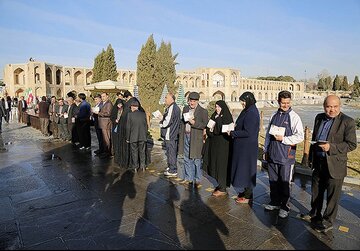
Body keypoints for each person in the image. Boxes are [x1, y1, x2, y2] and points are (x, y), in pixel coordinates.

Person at [300, 95, 357, 233]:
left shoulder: (347, 121)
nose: (331, 110)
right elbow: (315, 138)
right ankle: (314, 213)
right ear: (324, 106)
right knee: (316, 191)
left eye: (335, 107)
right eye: (328, 106)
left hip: (335, 164)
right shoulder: (319, 117)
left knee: (332, 196)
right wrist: (311, 157)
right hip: (318, 162)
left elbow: (351, 144)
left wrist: (331, 147)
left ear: (340, 106)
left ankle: (328, 221)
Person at [263, 90, 304, 218]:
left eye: (287, 103)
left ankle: (285, 206)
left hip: (286, 155)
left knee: (285, 182)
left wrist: (284, 139)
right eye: (282, 103)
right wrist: (265, 149)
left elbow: (300, 136)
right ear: (278, 101)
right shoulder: (273, 115)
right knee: (273, 180)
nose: (285, 105)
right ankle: (274, 202)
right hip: (273, 153)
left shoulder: (294, 117)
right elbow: (268, 135)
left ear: (290, 102)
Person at [229, 92, 259, 203]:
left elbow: (248, 131)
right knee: (244, 170)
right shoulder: (248, 110)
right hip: (243, 146)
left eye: (243, 101)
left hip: (247, 147)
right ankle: (245, 192)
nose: (242, 103)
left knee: (247, 170)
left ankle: (248, 196)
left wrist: (233, 133)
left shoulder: (251, 112)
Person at [178, 92, 208, 188]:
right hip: (186, 135)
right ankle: (189, 178)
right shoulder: (185, 108)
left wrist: (194, 122)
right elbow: (182, 122)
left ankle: (197, 179)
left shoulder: (203, 111)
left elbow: (204, 125)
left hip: (196, 138)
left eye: (194, 101)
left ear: (197, 101)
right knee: (187, 158)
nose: (192, 103)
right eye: (191, 101)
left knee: (196, 159)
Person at [204, 100, 233, 196]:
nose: (217, 109)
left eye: (219, 107)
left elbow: (224, 129)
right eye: (216, 107)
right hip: (214, 144)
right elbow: (209, 128)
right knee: (214, 163)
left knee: (221, 165)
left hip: (223, 145)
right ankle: (219, 184)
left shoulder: (226, 116)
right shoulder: (214, 116)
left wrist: (214, 128)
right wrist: (211, 131)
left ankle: (223, 187)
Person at [160, 93, 181, 177]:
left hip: (170, 133)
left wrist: (161, 123)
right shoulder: (174, 107)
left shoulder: (172, 107)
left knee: (171, 152)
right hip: (173, 133)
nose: (165, 100)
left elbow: (168, 121)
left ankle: (173, 170)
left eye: (166, 98)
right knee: (170, 152)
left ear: (171, 99)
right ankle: (171, 167)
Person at [126, 100, 148, 172]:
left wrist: (128, 138)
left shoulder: (130, 115)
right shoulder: (143, 114)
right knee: (142, 152)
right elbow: (146, 126)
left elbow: (128, 128)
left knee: (134, 152)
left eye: (131, 107)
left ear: (133, 107)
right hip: (142, 137)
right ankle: (143, 166)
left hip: (133, 137)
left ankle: (135, 167)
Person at [97, 92, 113, 159]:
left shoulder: (109, 103)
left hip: (106, 123)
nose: (102, 98)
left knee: (106, 138)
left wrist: (99, 113)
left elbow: (108, 113)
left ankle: (108, 152)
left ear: (107, 96)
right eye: (101, 96)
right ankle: (105, 151)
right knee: (104, 138)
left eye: (104, 96)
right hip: (103, 123)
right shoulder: (103, 103)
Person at [110, 98, 125, 165]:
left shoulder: (124, 109)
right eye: (118, 104)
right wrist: (115, 120)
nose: (119, 106)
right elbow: (112, 117)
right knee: (115, 141)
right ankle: (116, 154)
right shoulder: (114, 110)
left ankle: (121, 155)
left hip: (122, 127)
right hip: (115, 127)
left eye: (120, 104)